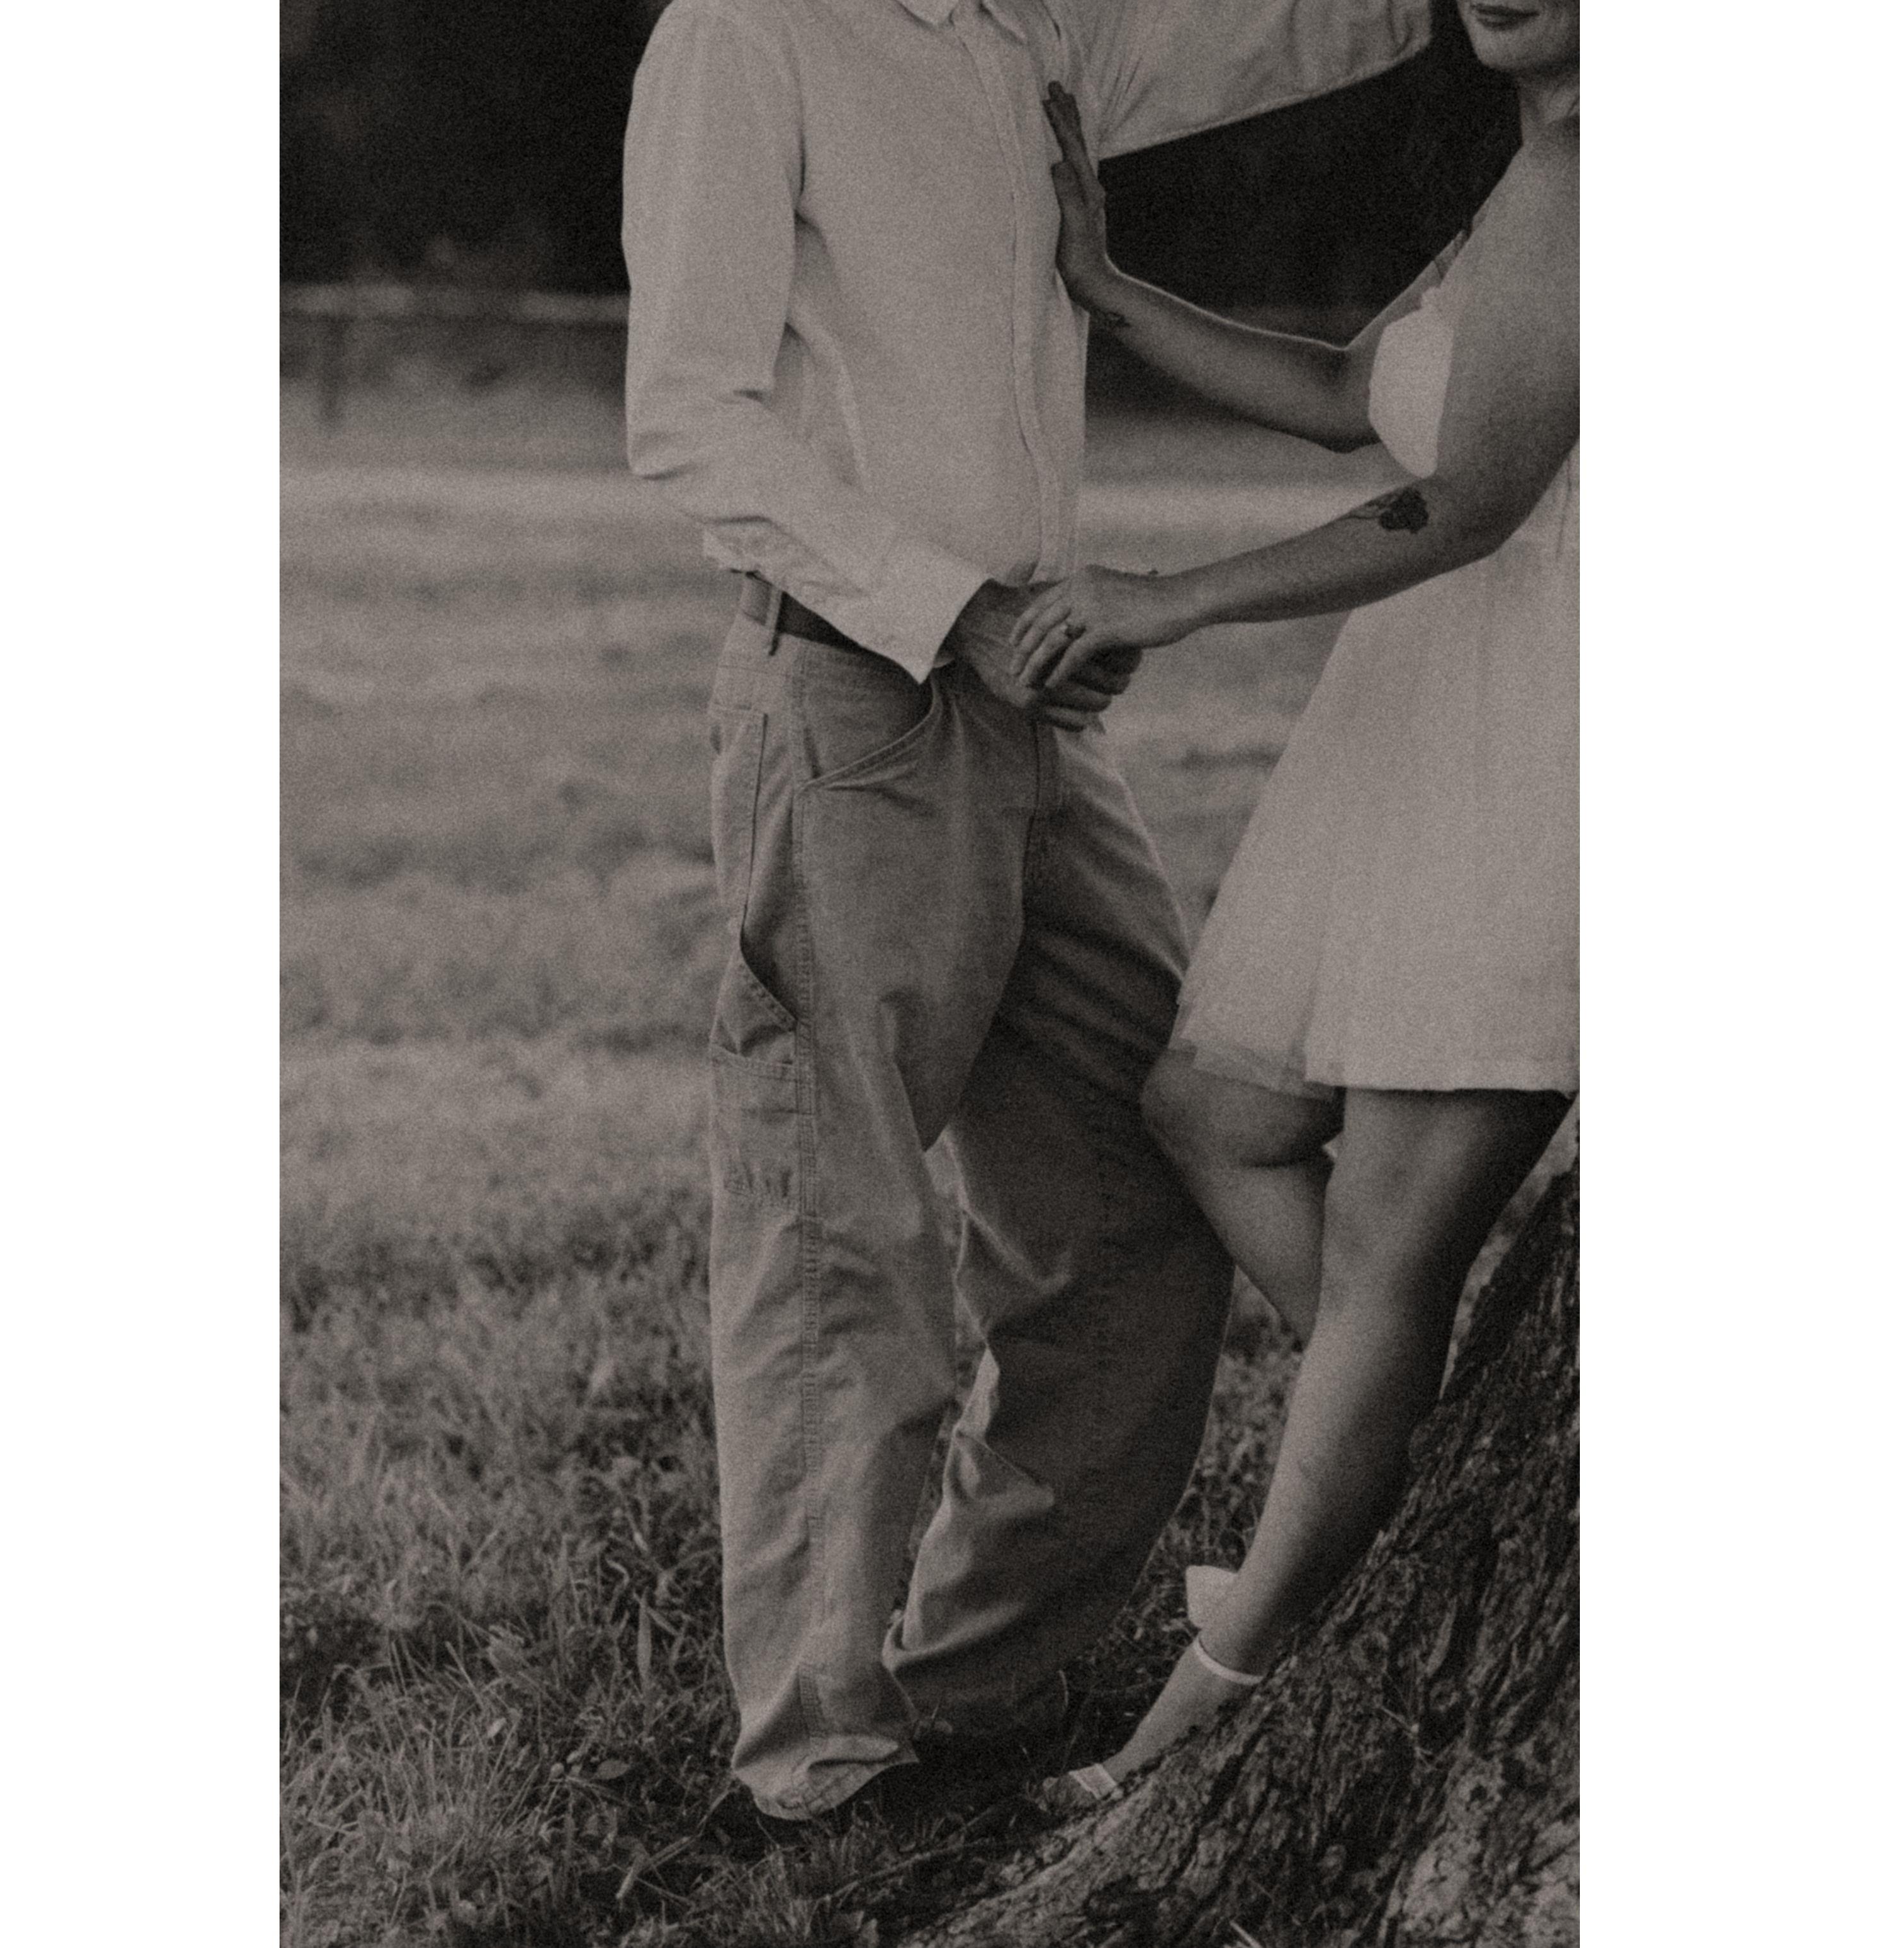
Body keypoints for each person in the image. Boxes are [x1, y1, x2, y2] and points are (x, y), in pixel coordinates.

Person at [621, 0, 1434, 1828]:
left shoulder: (1038, 30)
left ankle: (980, 1678)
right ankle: (819, 1773)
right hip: (858, 698)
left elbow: (1317, 28)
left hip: (1042, 716)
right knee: (840, 1247)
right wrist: (957, 611)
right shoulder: (750, 34)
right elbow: (685, 415)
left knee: (1143, 1188)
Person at [1007, 0, 1579, 1802]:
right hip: (1427, 711)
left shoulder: (1625, 177)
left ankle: (1221, 1688)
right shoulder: (1533, 168)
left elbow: (1471, 501)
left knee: (1392, 1243)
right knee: (1212, 1108)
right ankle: (1415, 1476)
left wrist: (1167, 597)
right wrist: (1107, 290)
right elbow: (1350, 398)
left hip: (1552, 739)